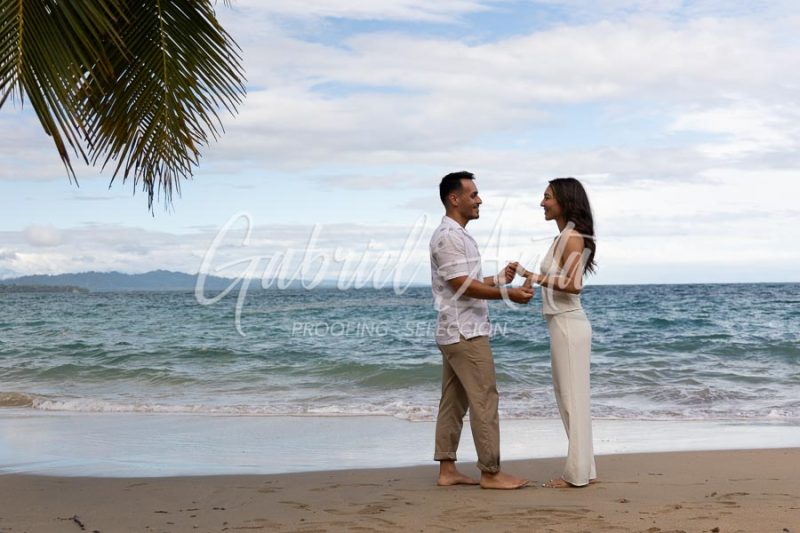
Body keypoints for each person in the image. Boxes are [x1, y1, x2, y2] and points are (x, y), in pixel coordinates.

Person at [429, 170, 533, 490]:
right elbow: (460, 285)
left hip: (457, 330)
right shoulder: (448, 236)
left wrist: (498, 280)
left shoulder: (457, 235)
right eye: (473, 195)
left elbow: (464, 280)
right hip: (466, 332)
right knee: (484, 399)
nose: (479, 200)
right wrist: (508, 295)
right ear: (454, 198)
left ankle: (447, 470)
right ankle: (490, 472)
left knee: (454, 401)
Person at [516, 177, 598, 488]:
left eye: (547, 196)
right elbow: (558, 281)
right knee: (569, 399)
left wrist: (532, 275)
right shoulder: (561, 238)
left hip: (569, 324)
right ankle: (585, 469)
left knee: (572, 400)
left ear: (564, 201)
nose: (542, 202)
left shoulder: (572, 237)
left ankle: (576, 475)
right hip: (561, 324)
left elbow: (574, 285)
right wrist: (528, 282)